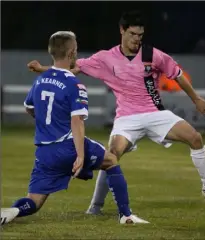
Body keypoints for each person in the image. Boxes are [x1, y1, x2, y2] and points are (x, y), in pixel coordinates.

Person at [27, 11, 205, 216]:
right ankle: (95, 207)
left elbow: (179, 75)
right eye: (132, 34)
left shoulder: (153, 55)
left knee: (195, 138)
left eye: (140, 35)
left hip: (155, 113)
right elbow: (69, 68)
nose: (136, 39)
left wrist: (196, 99)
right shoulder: (105, 58)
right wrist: (43, 69)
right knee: (111, 156)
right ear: (122, 31)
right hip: (127, 118)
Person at [1, 31, 148, 225]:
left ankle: (11, 211)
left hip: (45, 153)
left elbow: (29, 108)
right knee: (111, 160)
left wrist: (50, 121)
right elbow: (77, 121)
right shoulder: (74, 84)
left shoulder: (40, 80)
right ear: (71, 53)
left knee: (34, 201)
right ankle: (126, 216)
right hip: (68, 147)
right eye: (76, 50)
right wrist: (80, 155)